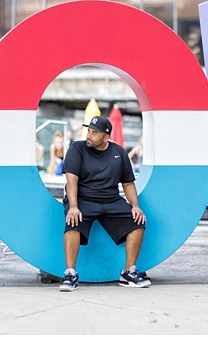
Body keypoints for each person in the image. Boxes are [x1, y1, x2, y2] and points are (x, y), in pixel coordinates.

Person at [59, 115, 150, 291]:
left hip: (111, 200)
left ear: (106, 137)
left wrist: (135, 206)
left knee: (138, 223)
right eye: (89, 131)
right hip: (83, 199)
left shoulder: (119, 152)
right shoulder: (77, 149)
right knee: (73, 222)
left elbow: (128, 183)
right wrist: (74, 206)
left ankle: (128, 273)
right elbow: (72, 181)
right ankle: (70, 274)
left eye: (94, 133)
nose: (89, 136)